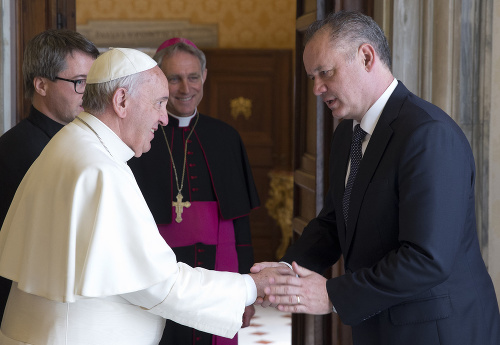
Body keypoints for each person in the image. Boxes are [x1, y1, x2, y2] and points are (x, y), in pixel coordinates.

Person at [251, 10, 500, 345]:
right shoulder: (346, 136)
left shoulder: (428, 134)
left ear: (366, 56)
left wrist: (332, 295)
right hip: (380, 325)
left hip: (439, 330)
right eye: (312, 77)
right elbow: (332, 224)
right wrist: (284, 272)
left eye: (324, 73)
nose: (317, 89)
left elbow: (426, 259)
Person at [0, 47, 274, 345]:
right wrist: (250, 286)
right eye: (158, 103)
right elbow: (157, 284)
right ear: (121, 101)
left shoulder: (73, 143)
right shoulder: (99, 168)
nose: (164, 118)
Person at [128, 37, 260, 345]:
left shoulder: (226, 138)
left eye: (193, 77)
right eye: (174, 79)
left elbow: (241, 225)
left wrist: (246, 291)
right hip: (161, 270)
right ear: (159, 80)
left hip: (219, 269)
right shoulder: (140, 138)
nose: (185, 88)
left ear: (204, 77)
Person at [0, 29, 99, 320]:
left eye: (91, 83)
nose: (89, 93)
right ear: (41, 85)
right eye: (80, 82)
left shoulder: (76, 140)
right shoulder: (19, 149)